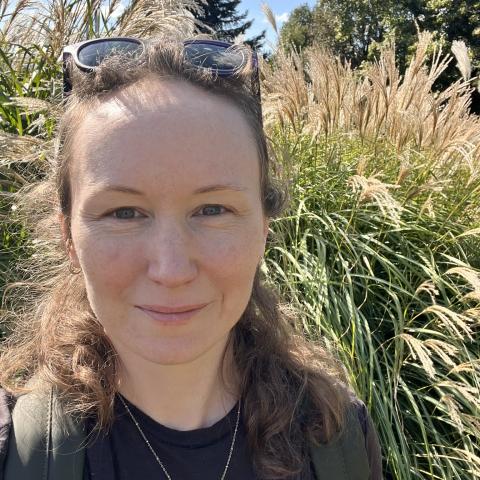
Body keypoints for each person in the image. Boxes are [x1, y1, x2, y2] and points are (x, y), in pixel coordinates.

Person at [0, 35, 382, 479]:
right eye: (124, 212)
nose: (171, 269)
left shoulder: (335, 436)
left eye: (213, 209)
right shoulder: (18, 451)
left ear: (263, 227)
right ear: (69, 235)